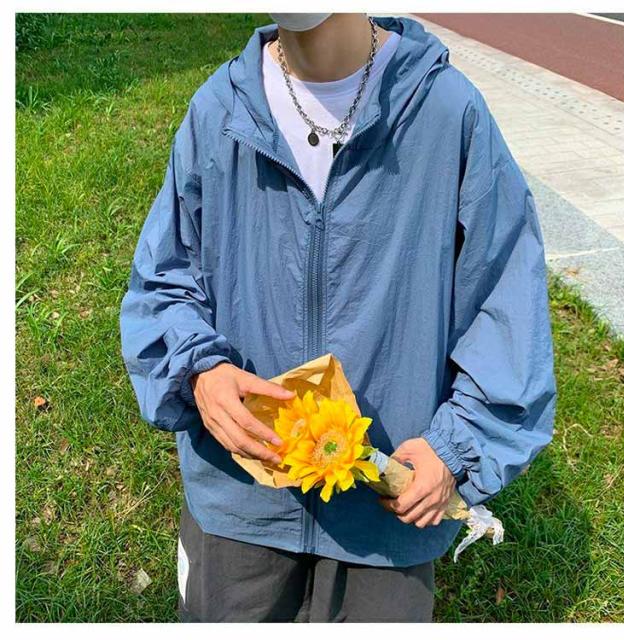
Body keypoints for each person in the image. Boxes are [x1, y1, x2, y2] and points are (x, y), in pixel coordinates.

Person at [120, 13, 557, 622]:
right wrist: (199, 371)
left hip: (387, 506)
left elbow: (506, 298)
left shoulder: (445, 112)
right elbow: (164, 276)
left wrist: (456, 447)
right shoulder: (220, 109)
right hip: (239, 502)